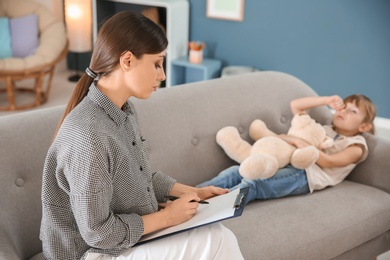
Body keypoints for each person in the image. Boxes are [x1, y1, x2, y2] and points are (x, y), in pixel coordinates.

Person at [40, 11, 244, 260]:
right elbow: (98, 233)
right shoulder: (88, 137)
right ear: (127, 60)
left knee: (214, 231)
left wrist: (194, 193)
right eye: (157, 64)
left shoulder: (122, 110)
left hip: (119, 242)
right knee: (217, 239)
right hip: (92, 254)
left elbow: (137, 178)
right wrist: (167, 217)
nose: (163, 75)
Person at [198, 94, 376, 205]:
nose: (344, 111)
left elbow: (328, 161)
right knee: (237, 171)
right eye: (344, 107)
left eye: (353, 111)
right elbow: (296, 106)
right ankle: (188, 194)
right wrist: (326, 100)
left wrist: (295, 140)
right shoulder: (325, 129)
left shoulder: (357, 146)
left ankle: (218, 209)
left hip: (306, 177)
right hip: (291, 162)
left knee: (255, 184)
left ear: (364, 127)